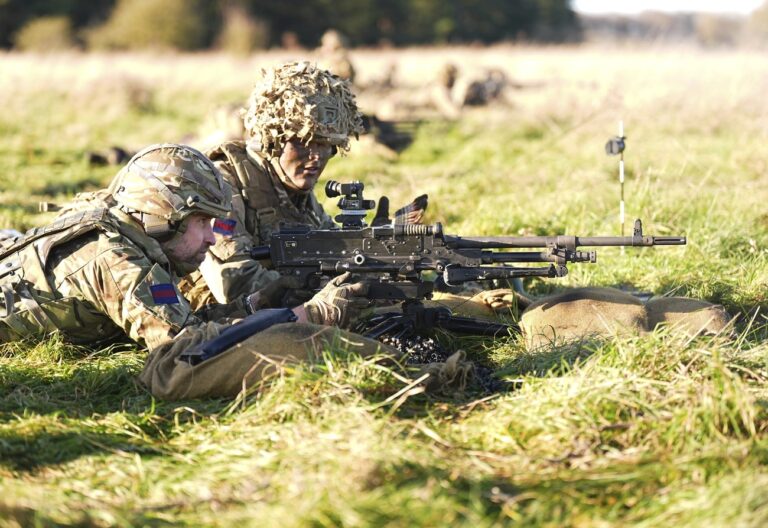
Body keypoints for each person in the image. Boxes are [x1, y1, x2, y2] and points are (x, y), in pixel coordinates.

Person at [0, 144, 393, 400]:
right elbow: (184, 356)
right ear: (163, 216)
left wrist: (261, 302)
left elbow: (187, 321)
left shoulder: (138, 241)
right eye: (201, 222)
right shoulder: (112, 257)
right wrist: (309, 316)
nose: (211, 239)